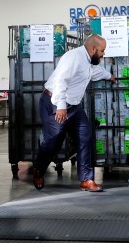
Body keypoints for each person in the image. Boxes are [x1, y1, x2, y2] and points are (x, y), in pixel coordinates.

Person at [32, 34, 115, 192]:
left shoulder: (89, 61)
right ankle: (38, 170)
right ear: (92, 48)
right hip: (55, 103)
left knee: (85, 137)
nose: (104, 54)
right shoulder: (74, 57)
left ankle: (86, 179)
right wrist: (62, 106)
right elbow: (61, 81)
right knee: (53, 142)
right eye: (102, 51)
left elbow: (94, 72)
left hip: (75, 107)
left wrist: (109, 76)